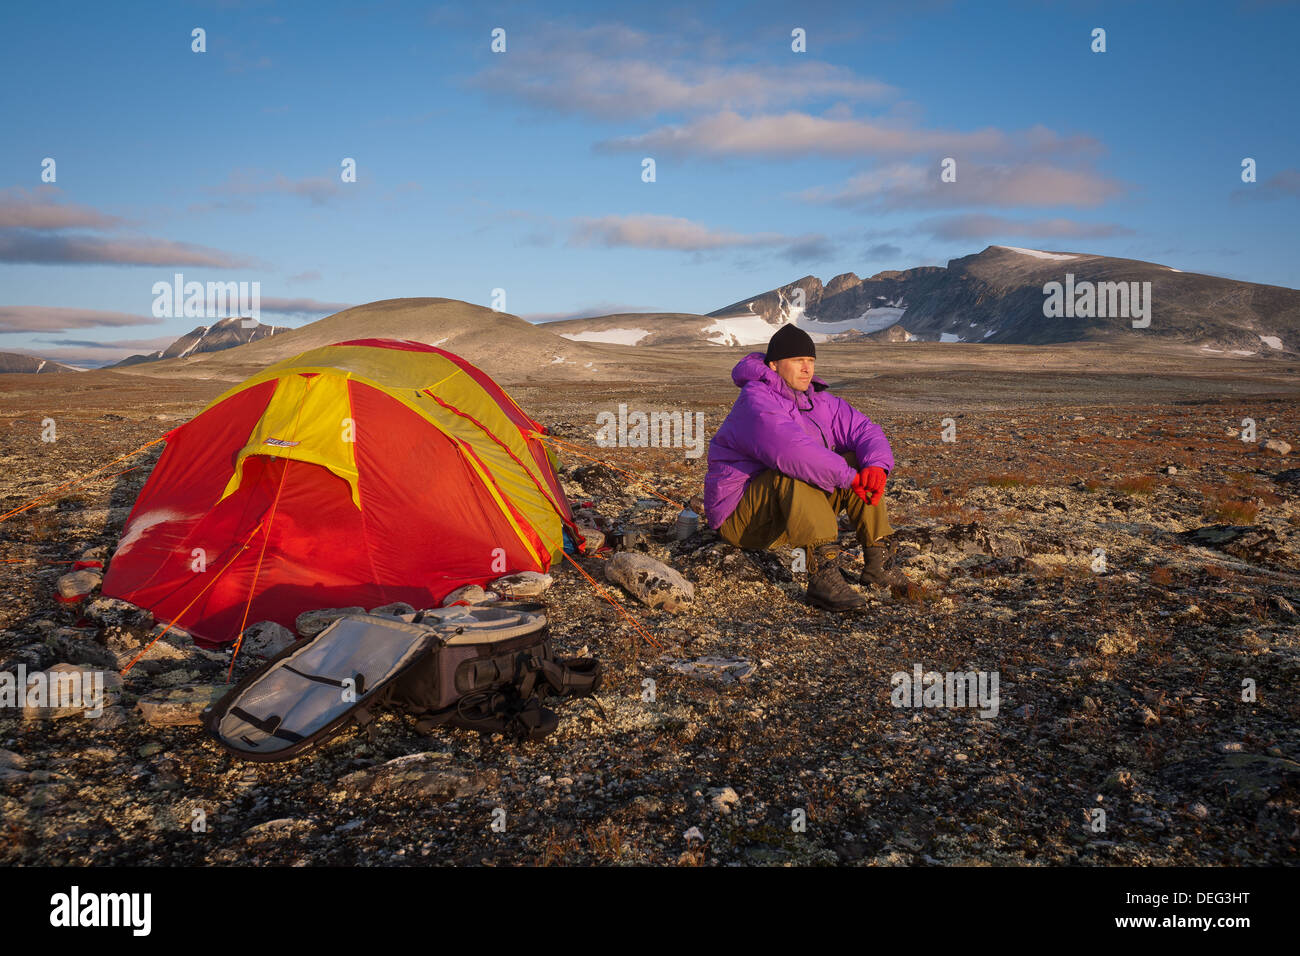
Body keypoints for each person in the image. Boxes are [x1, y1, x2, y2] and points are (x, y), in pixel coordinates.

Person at [703, 324, 906, 611]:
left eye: (810, 361)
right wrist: (849, 478)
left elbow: (864, 429)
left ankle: (878, 562)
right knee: (793, 469)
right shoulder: (755, 400)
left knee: (859, 460)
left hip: (787, 516)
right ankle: (823, 575)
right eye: (798, 360)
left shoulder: (818, 400)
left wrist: (876, 467)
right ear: (773, 365)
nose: (806, 368)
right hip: (742, 521)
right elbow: (790, 451)